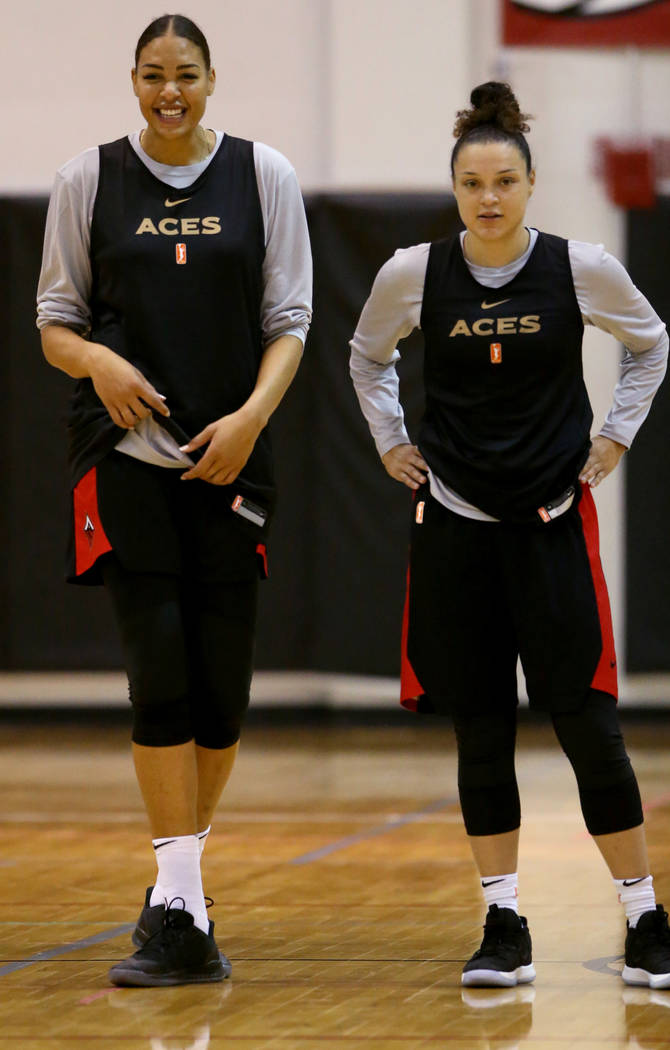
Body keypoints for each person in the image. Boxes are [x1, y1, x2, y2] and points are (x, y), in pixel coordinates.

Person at [350, 81, 670, 989]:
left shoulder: (581, 266)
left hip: (551, 525)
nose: (487, 197)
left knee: (589, 726)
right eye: (471, 183)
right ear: (454, 190)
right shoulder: (413, 273)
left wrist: (614, 434)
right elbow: (366, 356)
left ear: (530, 184)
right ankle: (502, 920)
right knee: (480, 730)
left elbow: (651, 343)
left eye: (504, 181)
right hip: (456, 529)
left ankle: (646, 919)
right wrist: (391, 441)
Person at [37, 13, 311, 987]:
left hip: (231, 462)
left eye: (184, 75)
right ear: (132, 80)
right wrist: (99, 360)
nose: (168, 91)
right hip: (126, 461)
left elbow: (290, 323)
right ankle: (182, 906)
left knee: (220, 694)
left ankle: (174, 896)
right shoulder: (87, 180)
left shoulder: (263, 176)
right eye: (152, 74)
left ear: (209, 80)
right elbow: (53, 322)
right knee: (158, 672)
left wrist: (247, 421)